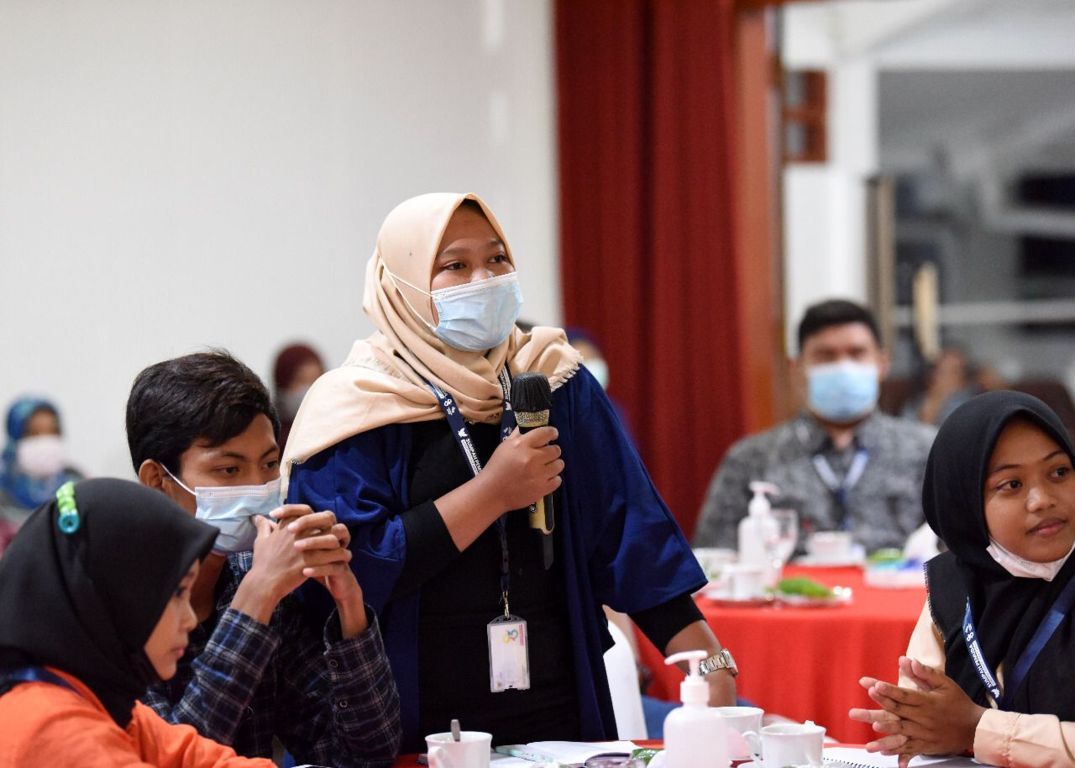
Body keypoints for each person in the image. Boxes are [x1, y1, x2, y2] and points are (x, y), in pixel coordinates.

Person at [283, 193, 735, 750]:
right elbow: (347, 571)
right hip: (406, 713)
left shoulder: (551, 376)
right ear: (401, 285)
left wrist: (708, 658)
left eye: (497, 259)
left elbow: (625, 531)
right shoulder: (355, 406)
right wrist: (492, 493)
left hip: (555, 704)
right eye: (455, 266)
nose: (485, 278)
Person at [126, 351, 400, 765]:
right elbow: (173, 760)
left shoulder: (250, 578)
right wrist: (256, 598)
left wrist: (349, 606)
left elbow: (362, 755)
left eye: (269, 464)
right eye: (229, 471)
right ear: (157, 481)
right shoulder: (115, 604)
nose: (258, 488)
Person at [850, 391, 1075, 768]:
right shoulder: (953, 589)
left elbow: (964, 727)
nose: (1042, 500)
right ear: (964, 504)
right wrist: (912, 726)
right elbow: (929, 718)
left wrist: (977, 728)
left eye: (1059, 473)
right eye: (1011, 485)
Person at [0, 477, 275, 767]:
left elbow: (195, 758)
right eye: (178, 593)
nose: (190, 620)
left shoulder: (101, 701)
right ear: (115, 595)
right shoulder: (54, 729)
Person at [693, 299, 936, 554]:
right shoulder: (751, 459)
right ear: (796, 368)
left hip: (900, 590)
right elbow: (713, 559)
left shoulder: (927, 451)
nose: (843, 367)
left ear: (882, 364)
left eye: (857, 353)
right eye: (826, 356)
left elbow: (959, 552)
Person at [0, 396, 83, 553]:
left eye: (53, 432)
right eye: (33, 433)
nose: (45, 442)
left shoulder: (77, 486)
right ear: (14, 438)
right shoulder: (2, 494)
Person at [273, 342, 326, 453]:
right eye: (301, 381)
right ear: (282, 383)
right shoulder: (269, 438)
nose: (309, 389)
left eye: (316, 380)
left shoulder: (335, 433)